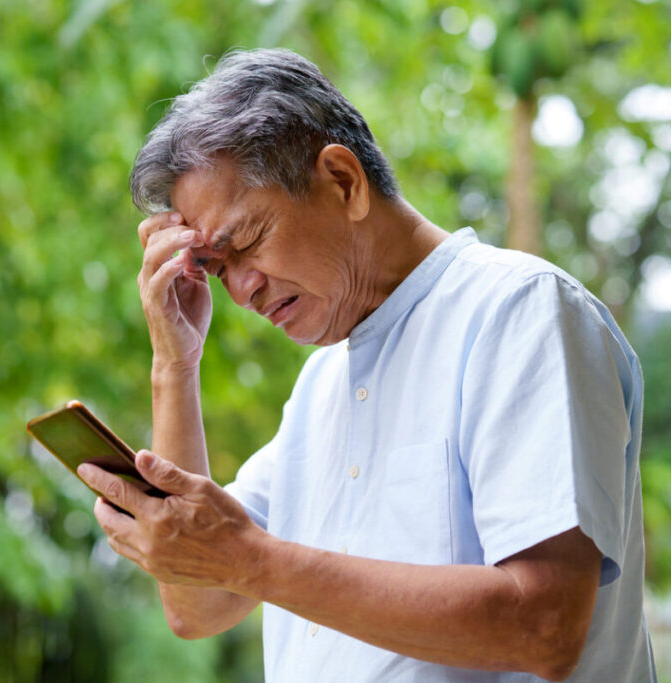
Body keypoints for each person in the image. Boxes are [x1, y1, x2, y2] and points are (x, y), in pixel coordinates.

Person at [75, 48, 656, 682]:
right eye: (215, 269)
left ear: (343, 182)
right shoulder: (320, 387)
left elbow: (544, 626)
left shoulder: (519, 313)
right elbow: (198, 601)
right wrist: (173, 367)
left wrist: (252, 560)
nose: (240, 291)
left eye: (244, 244)